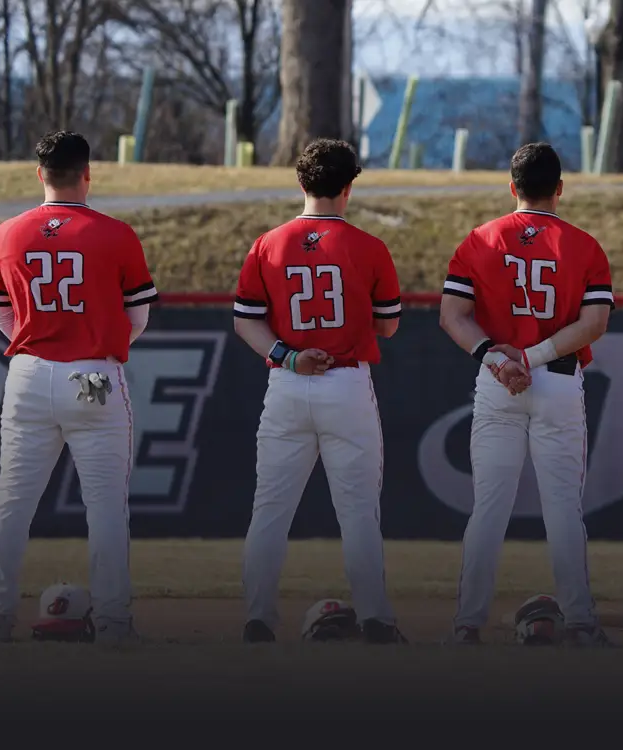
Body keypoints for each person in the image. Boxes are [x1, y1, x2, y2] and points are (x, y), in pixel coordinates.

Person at [0, 131, 159, 644]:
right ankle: (113, 622)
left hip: (30, 371)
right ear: (87, 173)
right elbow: (137, 317)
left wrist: (41, 341)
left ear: (40, 174)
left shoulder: (7, 233)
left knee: (12, 502)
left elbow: (0, 314)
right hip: (93, 373)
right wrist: (92, 343)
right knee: (104, 506)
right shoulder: (116, 234)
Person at [230, 139, 406, 644]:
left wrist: (288, 355)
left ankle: (257, 618)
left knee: (270, 509)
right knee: (358, 513)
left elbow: (246, 322)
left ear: (301, 182)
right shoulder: (370, 247)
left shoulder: (269, 243)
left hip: (287, 382)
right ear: (348, 187)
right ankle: (375, 618)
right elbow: (388, 326)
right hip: (346, 383)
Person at [438, 142, 614, 646]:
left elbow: (452, 316)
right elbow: (595, 322)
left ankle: (467, 624)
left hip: (497, 385)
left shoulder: (479, 240)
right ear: (560, 188)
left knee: (488, 507)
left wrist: (499, 360)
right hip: (556, 379)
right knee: (562, 507)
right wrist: (531, 359)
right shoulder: (583, 245)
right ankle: (580, 622)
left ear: (512, 187)